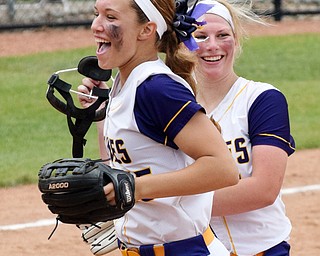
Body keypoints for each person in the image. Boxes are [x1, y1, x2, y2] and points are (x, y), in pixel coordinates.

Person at [77, 0, 239, 255]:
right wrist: (102, 116)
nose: (96, 25)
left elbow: (223, 169)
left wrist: (136, 188)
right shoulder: (126, 83)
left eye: (111, 17)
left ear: (146, 30)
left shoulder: (156, 88)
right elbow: (127, 164)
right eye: (96, 14)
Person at [192, 0, 296, 255]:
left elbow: (263, 190)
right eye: (200, 36)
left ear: (236, 41)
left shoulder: (261, 99)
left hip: (262, 249)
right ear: (183, 45)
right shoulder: (172, 105)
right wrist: (104, 115)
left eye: (223, 35)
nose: (213, 45)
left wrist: (166, 205)